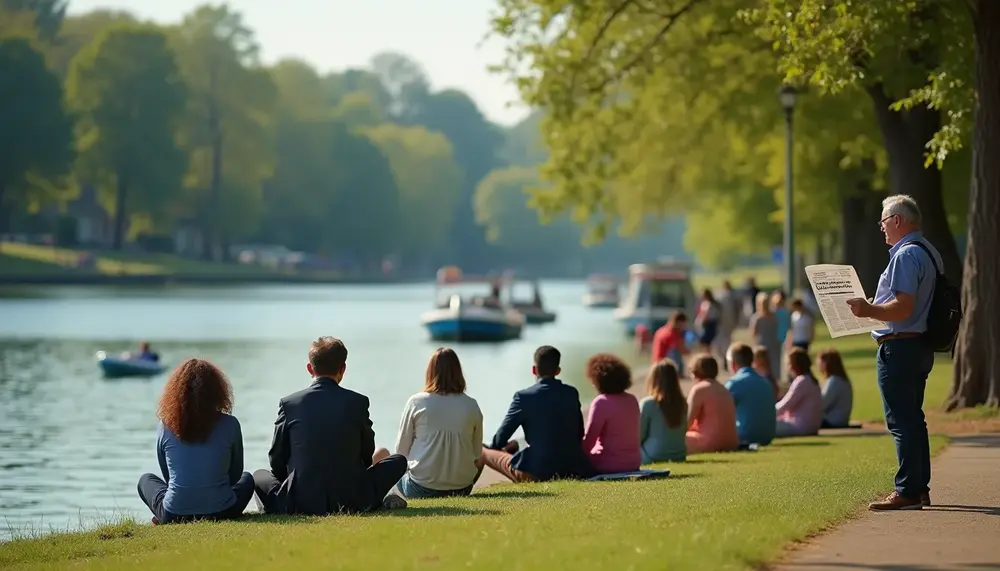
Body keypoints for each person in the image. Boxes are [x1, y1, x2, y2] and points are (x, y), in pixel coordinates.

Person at [846, 194, 940, 510]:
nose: (882, 229)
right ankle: (918, 487)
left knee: (901, 421)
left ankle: (908, 491)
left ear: (897, 220)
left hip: (899, 346)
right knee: (914, 419)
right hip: (920, 345)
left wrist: (868, 308)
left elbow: (903, 306)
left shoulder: (904, 256)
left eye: (884, 222)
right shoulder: (930, 252)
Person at [253, 337, 408, 515]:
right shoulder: (358, 402)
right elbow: (366, 455)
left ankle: (272, 507)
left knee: (258, 474)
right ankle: (383, 498)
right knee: (398, 461)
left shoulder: (289, 404)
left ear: (310, 368)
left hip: (300, 502)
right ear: (343, 369)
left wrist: (290, 481)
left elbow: (277, 458)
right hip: (354, 499)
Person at [136, 359, 253, 525]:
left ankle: (163, 518)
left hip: (173, 513)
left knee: (145, 480)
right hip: (223, 511)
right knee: (247, 478)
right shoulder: (230, 423)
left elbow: (168, 477)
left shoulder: (164, 425)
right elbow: (234, 476)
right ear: (217, 391)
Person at [482, 346, 593, 483]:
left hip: (538, 472)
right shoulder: (571, 393)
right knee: (516, 444)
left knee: (483, 451)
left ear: (534, 370)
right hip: (571, 468)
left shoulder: (523, 397)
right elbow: (578, 434)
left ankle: (462, 490)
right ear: (558, 371)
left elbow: (501, 437)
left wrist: (494, 447)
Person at [394, 348, 484, 499]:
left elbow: (400, 451)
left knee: (381, 454)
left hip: (420, 488)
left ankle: (389, 498)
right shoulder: (471, 405)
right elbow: (476, 453)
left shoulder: (417, 402)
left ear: (430, 372)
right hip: (462, 488)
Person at [581, 353, 641, 474]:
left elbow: (589, 442)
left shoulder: (601, 402)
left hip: (607, 463)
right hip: (633, 462)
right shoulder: (632, 399)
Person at [724, 343, 777, 446]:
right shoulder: (766, 382)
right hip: (768, 436)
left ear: (732, 363)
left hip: (744, 435)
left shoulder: (734, 383)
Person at [684, 355, 739, 454]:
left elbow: (687, 422)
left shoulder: (698, 390)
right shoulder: (724, 390)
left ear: (695, 372)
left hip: (708, 443)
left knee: (671, 440)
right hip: (731, 443)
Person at [639, 359, 687, 463]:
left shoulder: (649, 404)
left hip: (652, 456)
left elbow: (639, 436)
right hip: (679, 455)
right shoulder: (683, 403)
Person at [774, 348, 823, 438]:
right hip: (810, 427)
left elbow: (785, 405)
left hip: (799, 427)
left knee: (763, 425)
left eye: (789, 364)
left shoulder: (802, 381)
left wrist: (766, 414)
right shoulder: (811, 381)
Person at [817, 348, 854, 429]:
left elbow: (821, 404)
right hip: (840, 420)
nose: (818, 365)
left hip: (832, 421)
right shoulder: (841, 380)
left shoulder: (834, 381)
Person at [749, 293, 781, 378]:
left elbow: (753, 333)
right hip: (770, 344)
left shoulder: (757, 318)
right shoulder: (773, 316)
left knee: (769, 367)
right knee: (771, 367)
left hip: (767, 344)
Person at [713, 281, 742, 356]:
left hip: (723, 320)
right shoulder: (733, 295)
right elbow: (738, 308)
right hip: (731, 320)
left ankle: (725, 354)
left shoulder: (721, 295)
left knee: (723, 338)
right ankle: (727, 353)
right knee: (727, 338)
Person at [694, 289, 721, 354]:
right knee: (707, 343)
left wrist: (700, 321)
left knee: (704, 343)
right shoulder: (713, 304)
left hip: (707, 325)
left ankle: (705, 355)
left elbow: (705, 315)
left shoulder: (707, 304)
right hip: (711, 325)